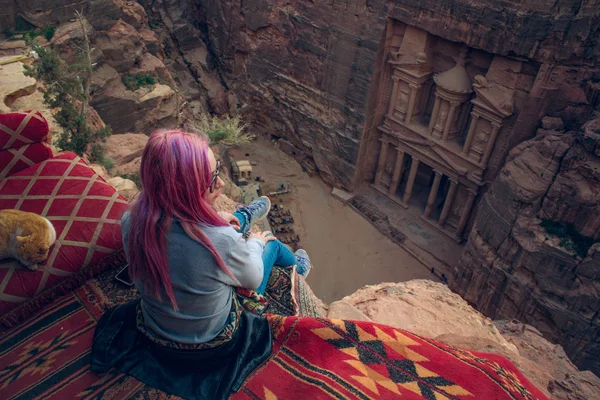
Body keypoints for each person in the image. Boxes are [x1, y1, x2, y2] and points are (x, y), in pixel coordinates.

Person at [122, 129, 312, 346]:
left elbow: (183, 232)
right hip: (210, 339)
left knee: (228, 219)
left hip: (155, 329)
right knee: (272, 243)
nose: (220, 183)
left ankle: (246, 215)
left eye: (218, 170)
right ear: (187, 189)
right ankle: (299, 268)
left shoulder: (131, 221)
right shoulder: (222, 239)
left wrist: (218, 221)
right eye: (212, 178)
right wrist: (256, 243)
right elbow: (253, 278)